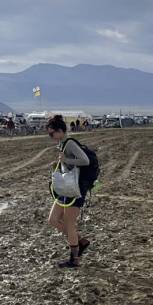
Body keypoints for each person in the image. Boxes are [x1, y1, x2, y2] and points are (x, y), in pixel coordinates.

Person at [46, 114, 91, 268]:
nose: (50, 136)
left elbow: (85, 160)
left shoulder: (70, 143)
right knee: (52, 220)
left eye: (52, 133)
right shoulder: (63, 144)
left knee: (69, 223)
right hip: (65, 188)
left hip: (74, 189)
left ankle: (74, 259)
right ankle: (80, 242)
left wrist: (66, 161)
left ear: (60, 131)